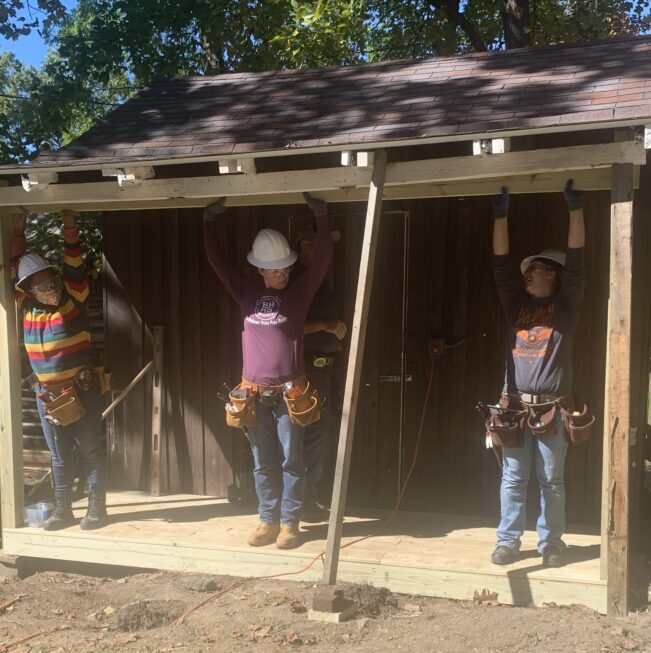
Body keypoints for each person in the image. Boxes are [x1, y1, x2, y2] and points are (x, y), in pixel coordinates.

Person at [203, 193, 333, 549]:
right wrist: (207, 222)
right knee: (263, 462)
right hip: (256, 394)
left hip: (291, 394)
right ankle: (267, 521)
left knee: (293, 460)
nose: (282, 274)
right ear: (260, 269)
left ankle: (290, 524)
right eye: (274, 269)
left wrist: (321, 214)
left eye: (286, 268)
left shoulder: (299, 293)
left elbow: (322, 261)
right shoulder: (245, 290)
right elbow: (217, 262)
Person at [490, 179, 585, 568]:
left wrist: (576, 212)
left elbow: (578, 265)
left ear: (556, 275)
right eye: (528, 270)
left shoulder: (565, 309)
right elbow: (501, 269)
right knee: (513, 479)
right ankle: (508, 542)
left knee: (551, 480)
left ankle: (551, 544)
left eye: (538, 269)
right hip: (515, 408)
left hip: (551, 410)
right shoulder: (517, 307)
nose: (527, 274)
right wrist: (500, 217)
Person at [11, 210, 107, 531]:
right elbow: (14, 267)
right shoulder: (25, 306)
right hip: (47, 396)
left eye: (50, 280)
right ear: (29, 289)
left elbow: (75, 263)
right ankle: (62, 510)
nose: (47, 287)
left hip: (81, 390)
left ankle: (97, 508)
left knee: (91, 450)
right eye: (38, 284)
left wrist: (70, 226)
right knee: (59, 455)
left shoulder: (74, 297)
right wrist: (18, 231)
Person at [293, 226, 347, 522]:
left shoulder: (319, 281)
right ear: (300, 248)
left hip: (323, 368)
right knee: (309, 434)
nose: (315, 252)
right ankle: (301, 502)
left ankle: (305, 500)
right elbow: (288, 326)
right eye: (309, 245)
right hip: (306, 368)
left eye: (321, 246)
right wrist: (325, 324)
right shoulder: (298, 281)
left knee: (317, 434)